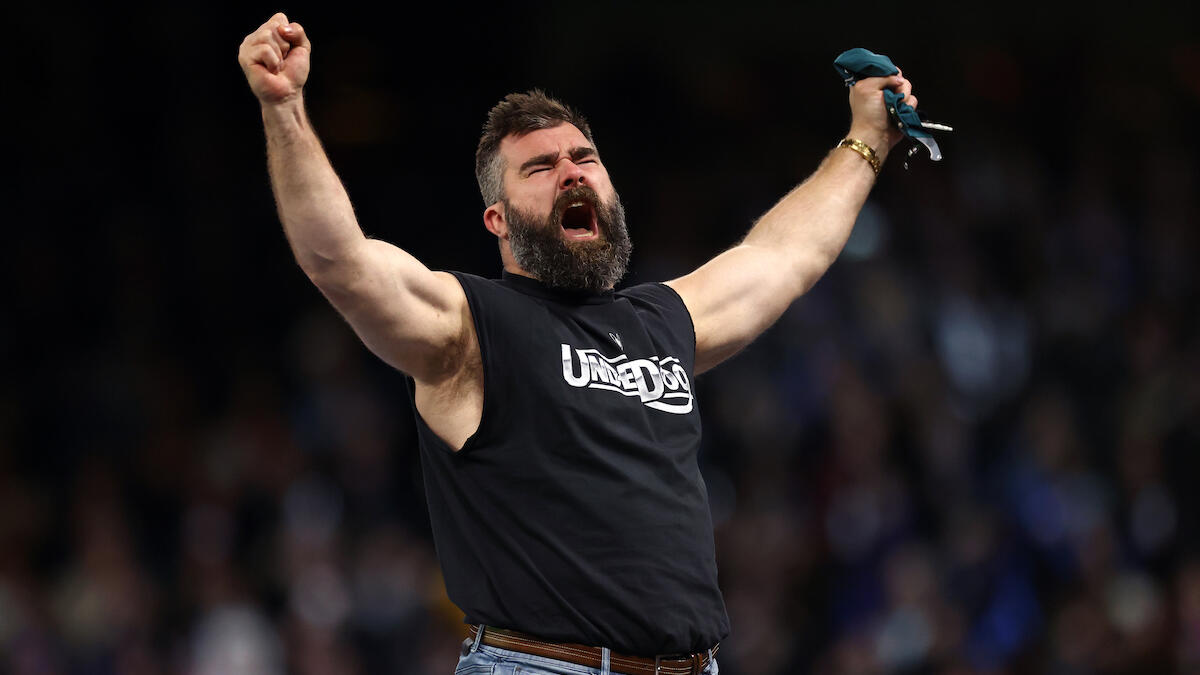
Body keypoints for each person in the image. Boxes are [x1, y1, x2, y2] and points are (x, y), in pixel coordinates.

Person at [238, 11, 918, 675]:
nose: (571, 171)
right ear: (497, 219)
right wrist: (284, 107)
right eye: (540, 167)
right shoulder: (471, 327)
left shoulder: (662, 318)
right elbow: (340, 260)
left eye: (585, 157)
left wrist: (866, 140)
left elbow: (785, 255)